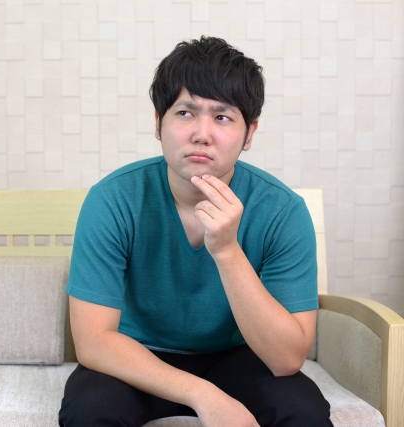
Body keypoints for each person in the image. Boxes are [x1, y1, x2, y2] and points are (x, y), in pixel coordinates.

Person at [58, 36, 332, 427]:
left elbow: (286, 359)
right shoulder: (112, 199)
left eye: (223, 117)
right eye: (186, 112)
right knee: (90, 409)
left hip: (239, 357)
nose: (202, 133)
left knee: (303, 411)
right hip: (136, 356)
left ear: (249, 134)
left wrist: (227, 251)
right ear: (159, 122)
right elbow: (93, 340)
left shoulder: (282, 211)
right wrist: (203, 395)